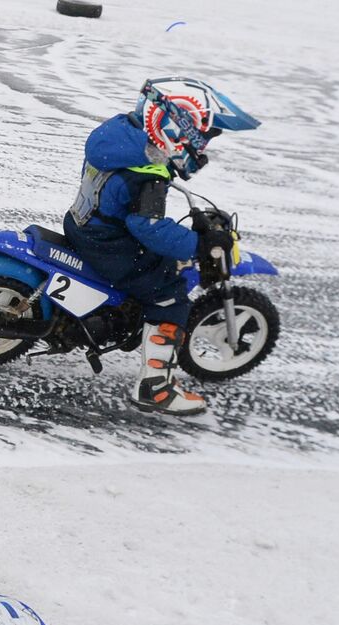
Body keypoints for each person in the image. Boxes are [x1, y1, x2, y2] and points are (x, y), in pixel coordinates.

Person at [64, 77, 259, 416]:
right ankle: (154, 388)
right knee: (168, 295)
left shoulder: (120, 134)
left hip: (84, 223)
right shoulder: (147, 172)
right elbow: (148, 228)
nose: (204, 146)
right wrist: (198, 245)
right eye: (205, 136)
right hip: (109, 244)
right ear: (178, 128)